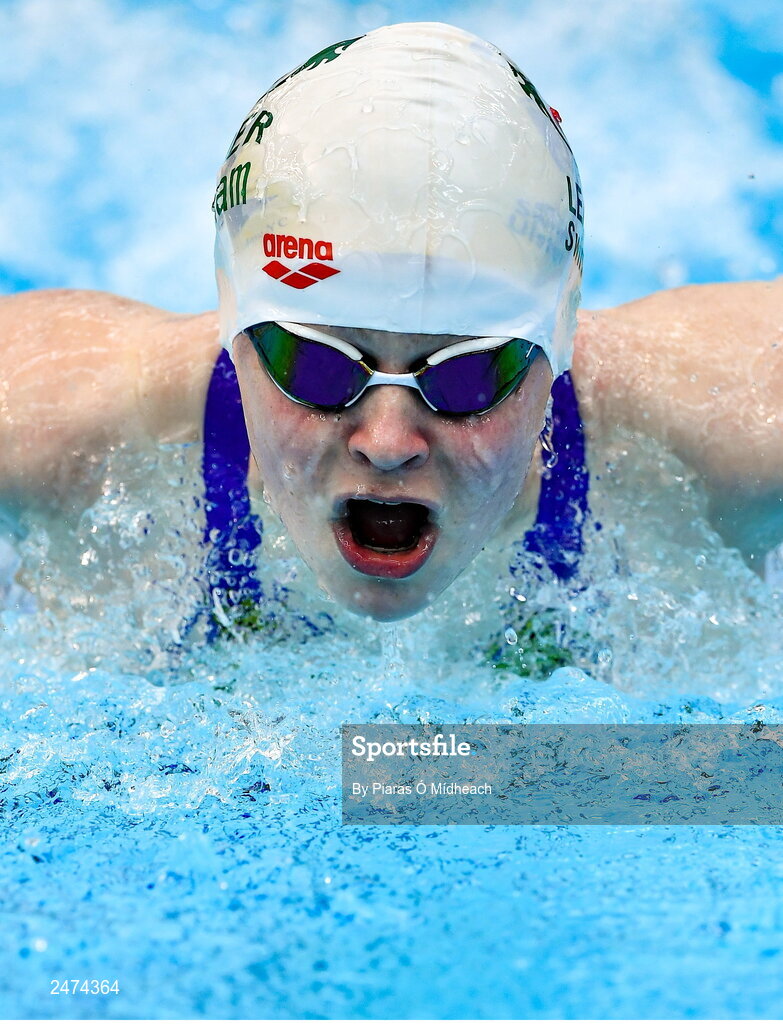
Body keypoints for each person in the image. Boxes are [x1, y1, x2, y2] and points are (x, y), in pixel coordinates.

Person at [0, 22, 781, 632]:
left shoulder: (732, 425)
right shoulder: (52, 424)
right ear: (233, 326)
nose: (386, 441)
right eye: (318, 365)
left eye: (468, 372)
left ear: (559, 341)